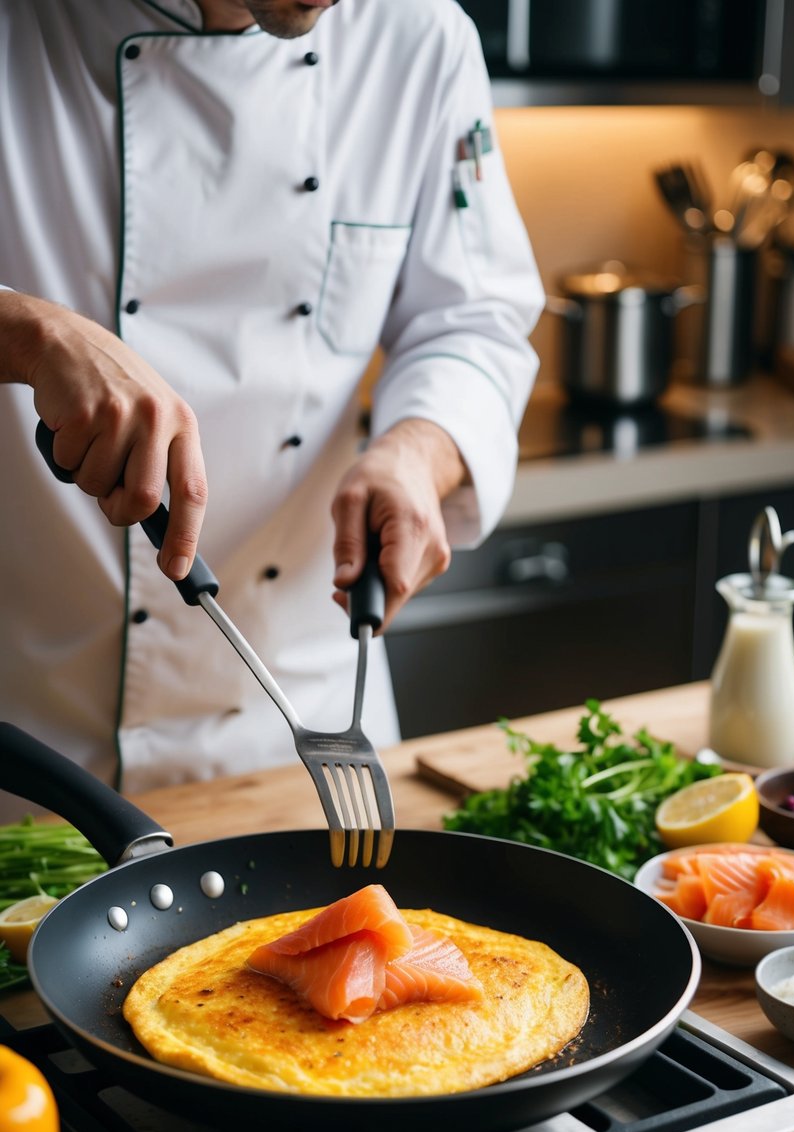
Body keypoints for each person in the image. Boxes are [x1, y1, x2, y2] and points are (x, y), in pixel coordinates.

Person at [0, 0, 543, 820]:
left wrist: (418, 449)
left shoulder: (419, 35)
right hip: (28, 749)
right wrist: (26, 332)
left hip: (296, 738)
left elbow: (472, 318)